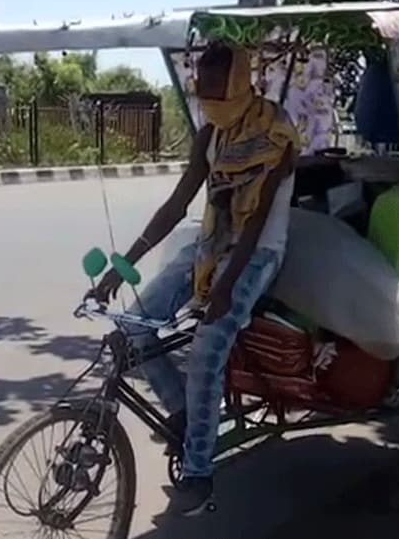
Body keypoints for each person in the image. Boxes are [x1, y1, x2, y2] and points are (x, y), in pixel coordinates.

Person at [92, 42, 300, 515]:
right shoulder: (210, 135)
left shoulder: (276, 132)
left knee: (207, 349)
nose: (208, 101)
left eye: (217, 91)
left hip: (258, 252)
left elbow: (257, 218)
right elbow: (176, 205)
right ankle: (185, 418)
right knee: (134, 327)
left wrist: (224, 291)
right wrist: (120, 266)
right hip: (210, 245)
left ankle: (200, 472)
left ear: (240, 83)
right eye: (201, 91)